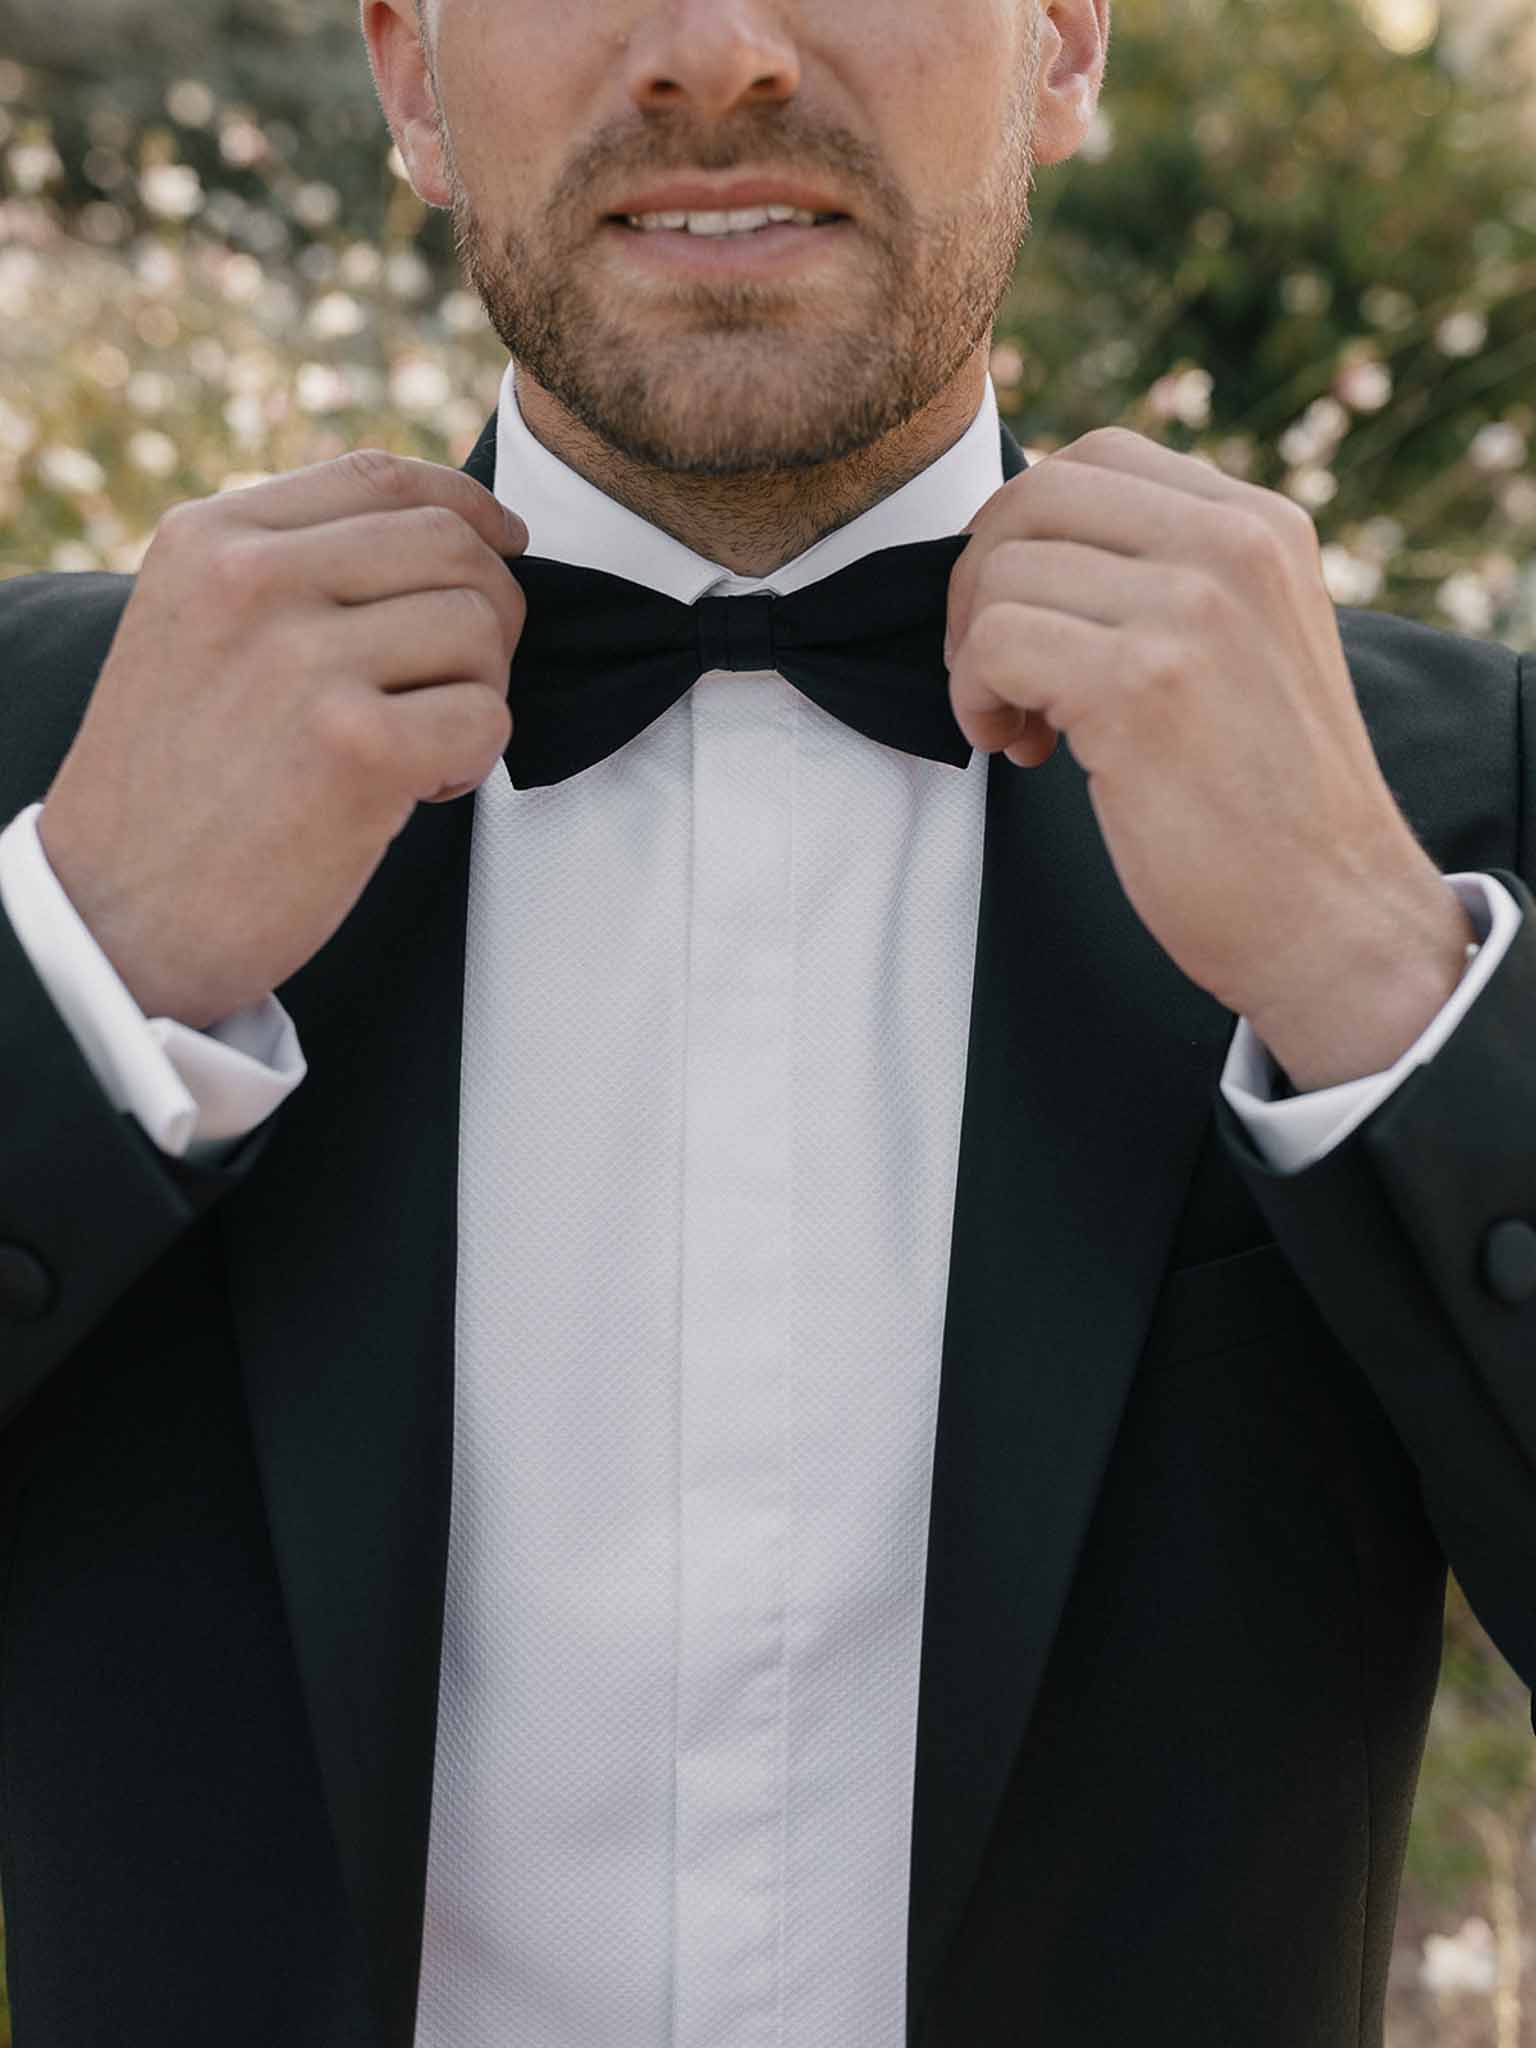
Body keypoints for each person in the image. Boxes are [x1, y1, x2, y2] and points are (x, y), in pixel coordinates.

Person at [0, 0, 1531, 2041]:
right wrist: (73, 985)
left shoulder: (1443, 803)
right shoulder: (50, 764)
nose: (715, 53)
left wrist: (1385, 991)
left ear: (1064, 48)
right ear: (409, 76)